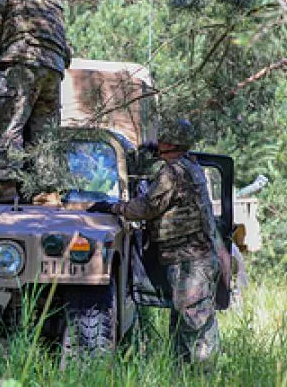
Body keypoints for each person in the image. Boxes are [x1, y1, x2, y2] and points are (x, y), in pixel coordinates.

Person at [88, 119, 220, 363]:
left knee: (194, 320)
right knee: (184, 319)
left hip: (189, 260)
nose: (158, 143)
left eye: (161, 141)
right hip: (190, 258)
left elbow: (146, 207)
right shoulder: (190, 166)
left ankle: (204, 375)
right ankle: (184, 374)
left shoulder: (173, 172)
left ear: (168, 142)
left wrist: (112, 207)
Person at [0, 0, 72, 203]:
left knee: (11, 123)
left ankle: (7, 185)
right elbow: (67, 49)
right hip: (53, 69)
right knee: (45, 133)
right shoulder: (52, 0)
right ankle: (49, 191)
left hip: (22, 61)